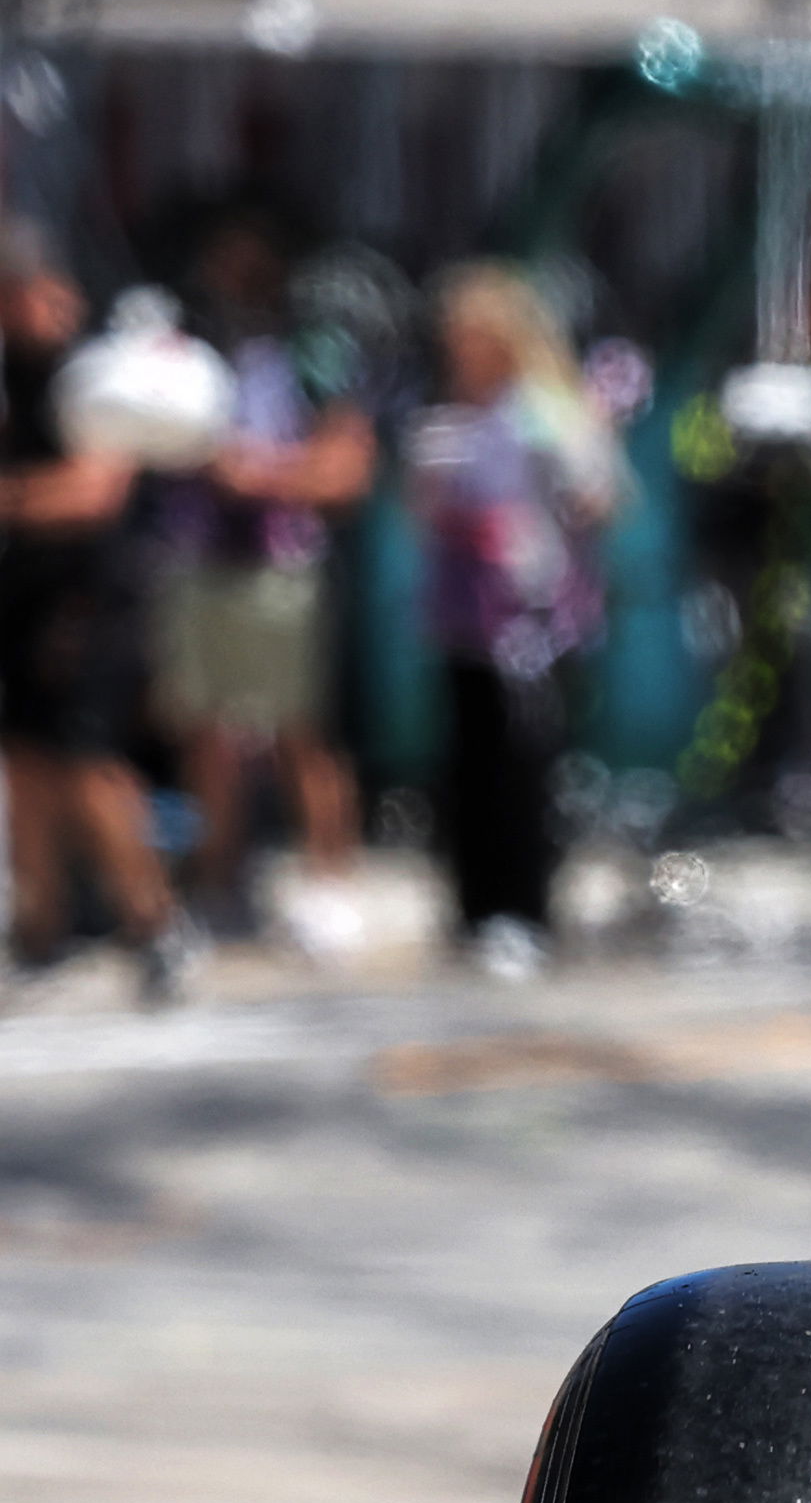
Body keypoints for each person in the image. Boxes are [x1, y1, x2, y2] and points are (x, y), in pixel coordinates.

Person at [401, 265, 624, 976]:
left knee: (523, 770)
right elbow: (421, 512)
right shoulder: (448, 416)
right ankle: (472, 910)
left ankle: (523, 911)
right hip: (464, 616)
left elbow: (603, 496)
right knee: (465, 766)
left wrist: (553, 502)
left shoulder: (546, 410)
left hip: (536, 622)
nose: (463, 351)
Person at [149, 209, 371, 913]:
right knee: (205, 732)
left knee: (300, 730)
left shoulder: (315, 354)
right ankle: (219, 881)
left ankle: (328, 884)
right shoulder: (186, 350)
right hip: (199, 564)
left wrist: (259, 474)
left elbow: (348, 469)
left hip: (281, 571)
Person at [0, 249, 186, 996]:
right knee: (24, 759)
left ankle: (156, 923)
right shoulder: (16, 378)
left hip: (92, 600)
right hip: (22, 596)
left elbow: (94, 492)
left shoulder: (94, 379)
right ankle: (41, 928)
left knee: (89, 763)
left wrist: (10, 500)